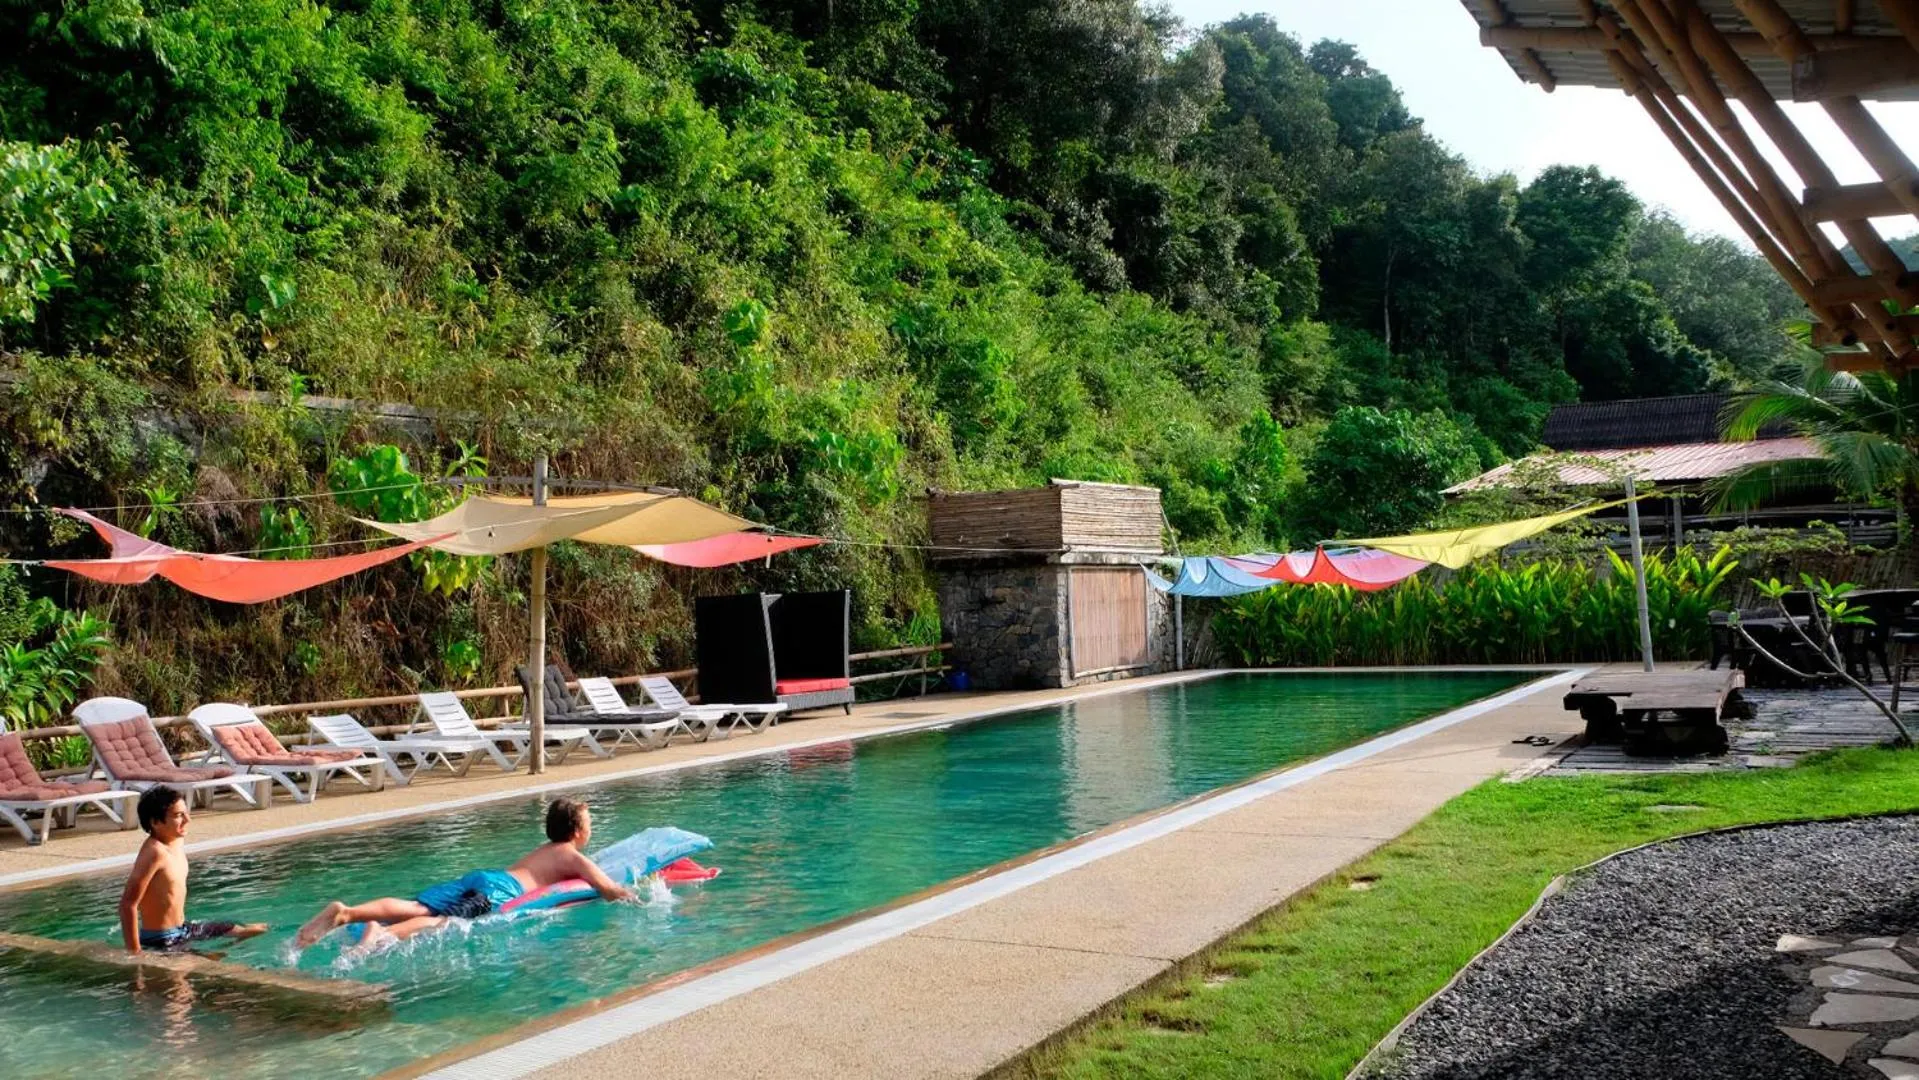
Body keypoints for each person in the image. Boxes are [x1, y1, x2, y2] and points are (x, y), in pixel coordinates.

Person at [295, 796, 633, 950]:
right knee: (448, 921)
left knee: (419, 906)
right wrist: (636, 894)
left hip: (485, 877)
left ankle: (351, 913)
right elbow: (608, 889)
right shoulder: (572, 856)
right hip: (498, 892)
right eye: (589, 825)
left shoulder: (544, 850)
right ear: (576, 832)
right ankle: (382, 938)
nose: (591, 830)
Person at [119, 786, 267, 954]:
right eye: (178, 815)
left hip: (185, 929)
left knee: (253, 930)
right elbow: (128, 904)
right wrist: (135, 954)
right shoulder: (154, 853)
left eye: (186, 813)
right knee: (207, 968)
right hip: (162, 939)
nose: (187, 820)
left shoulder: (175, 841)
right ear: (155, 822)